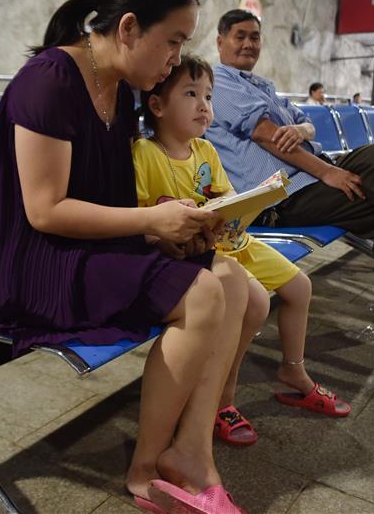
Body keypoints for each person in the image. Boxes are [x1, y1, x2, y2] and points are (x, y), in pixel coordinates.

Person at [0, 0, 247, 514]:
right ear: (127, 29)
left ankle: (191, 448)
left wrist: (171, 225)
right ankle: (147, 467)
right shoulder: (50, 80)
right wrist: (150, 223)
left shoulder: (118, 88)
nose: (176, 59)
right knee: (201, 295)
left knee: (232, 277)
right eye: (172, 42)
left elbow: (113, 200)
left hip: (89, 250)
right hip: (38, 263)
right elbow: (45, 211)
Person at [208, 9, 374, 342]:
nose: (249, 43)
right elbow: (267, 135)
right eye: (240, 36)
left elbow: (306, 122)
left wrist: (302, 128)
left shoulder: (262, 85)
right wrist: (329, 172)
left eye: (255, 36)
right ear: (221, 41)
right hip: (278, 196)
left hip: (307, 179)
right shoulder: (218, 82)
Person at [133, 55, 350, 446]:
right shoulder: (146, 155)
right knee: (255, 304)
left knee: (300, 288)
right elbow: (144, 217)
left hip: (235, 241)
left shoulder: (205, 151)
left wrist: (247, 200)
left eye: (209, 96)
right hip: (202, 255)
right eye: (191, 94)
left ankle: (293, 370)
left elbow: (227, 195)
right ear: (157, 105)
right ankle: (223, 399)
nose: (204, 105)